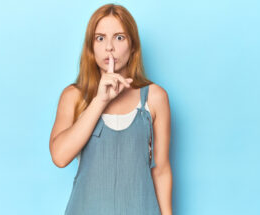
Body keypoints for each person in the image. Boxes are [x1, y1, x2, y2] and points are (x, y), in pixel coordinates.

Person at [49, 3, 172, 215]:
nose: (109, 47)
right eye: (100, 38)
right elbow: (60, 157)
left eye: (119, 37)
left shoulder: (155, 97)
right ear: (91, 47)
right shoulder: (74, 96)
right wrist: (100, 100)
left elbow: (161, 171)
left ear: (132, 45)